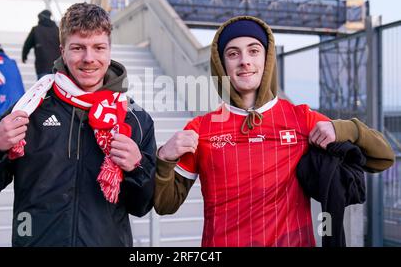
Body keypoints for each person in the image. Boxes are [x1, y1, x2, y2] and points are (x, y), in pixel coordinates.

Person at [154, 16, 395, 247]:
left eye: (254, 50)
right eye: (233, 53)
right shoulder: (200, 129)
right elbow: (165, 205)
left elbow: (383, 157)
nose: (245, 61)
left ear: (267, 59)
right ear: (221, 64)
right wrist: (164, 158)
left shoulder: (301, 118)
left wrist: (343, 128)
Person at [0, 3, 156, 247]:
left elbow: (143, 205)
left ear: (109, 51)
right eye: (78, 48)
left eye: (98, 47)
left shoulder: (135, 118)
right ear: (62, 50)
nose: (89, 58)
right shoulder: (29, 108)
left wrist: (137, 168)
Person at [22, 9, 61, 79]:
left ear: (41, 18)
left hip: (42, 67)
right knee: (57, 88)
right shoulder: (57, 30)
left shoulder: (36, 30)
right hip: (57, 67)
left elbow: (27, 45)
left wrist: (24, 56)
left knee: (43, 88)